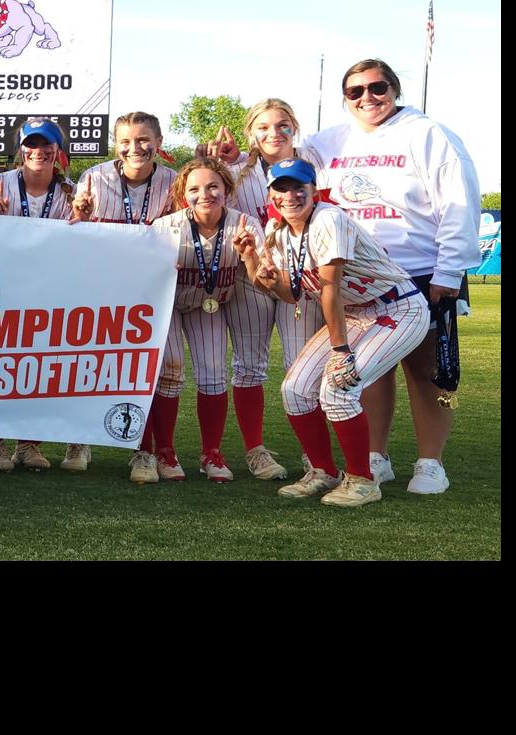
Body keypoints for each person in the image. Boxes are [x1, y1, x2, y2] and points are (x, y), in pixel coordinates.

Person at [301, 58, 481, 494]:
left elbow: (459, 204)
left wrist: (449, 270)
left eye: (377, 87)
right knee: (369, 369)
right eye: (355, 91)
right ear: (345, 98)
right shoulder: (327, 141)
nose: (367, 98)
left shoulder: (429, 134)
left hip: (420, 269)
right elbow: (283, 164)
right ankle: (374, 457)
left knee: (426, 370)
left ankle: (430, 463)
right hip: (361, 275)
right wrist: (239, 158)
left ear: (395, 89)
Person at [232, 159, 428, 508]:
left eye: (298, 188)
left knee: (337, 387)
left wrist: (340, 351)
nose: (290, 195)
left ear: (314, 191)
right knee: (294, 389)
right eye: (281, 188)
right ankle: (323, 471)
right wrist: (250, 261)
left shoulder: (328, 218)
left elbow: (330, 288)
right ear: (270, 194)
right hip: (355, 312)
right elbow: (289, 294)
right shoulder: (278, 232)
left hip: (397, 307)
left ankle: (362, 480)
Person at [198, 99, 325, 482]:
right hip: (249, 276)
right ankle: (256, 451)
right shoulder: (236, 171)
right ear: (251, 133)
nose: (274, 133)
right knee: (249, 365)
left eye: (282, 125)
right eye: (263, 127)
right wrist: (209, 160)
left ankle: (314, 455)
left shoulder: (316, 164)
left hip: (299, 278)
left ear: (294, 127)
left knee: (301, 366)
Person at [70, 110, 179, 484]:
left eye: (144, 139)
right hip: (101, 290)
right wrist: (81, 217)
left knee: (149, 370)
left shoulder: (173, 182)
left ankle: (145, 451)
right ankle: (80, 440)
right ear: (115, 145)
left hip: (152, 293)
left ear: (159, 142)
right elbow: (76, 235)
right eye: (126, 141)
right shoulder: (94, 177)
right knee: (90, 366)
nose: (135, 148)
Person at [144, 158, 258, 484]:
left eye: (213, 186)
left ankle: (211, 453)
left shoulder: (245, 224)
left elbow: (260, 278)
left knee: (213, 375)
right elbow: (142, 275)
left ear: (227, 189)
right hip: (168, 305)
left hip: (210, 305)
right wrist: (158, 271)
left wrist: (250, 255)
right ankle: (165, 451)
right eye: (194, 188)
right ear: (184, 194)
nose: (204, 194)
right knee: (171, 371)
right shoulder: (165, 227)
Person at [0, 117, 83, 472]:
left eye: (46, 144)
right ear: (20, 149)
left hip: (49, 290)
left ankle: (28, 443)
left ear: (58, 150)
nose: (38, 151)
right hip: (1, 289)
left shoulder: (72, 192)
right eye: (31, 144)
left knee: (38, 366)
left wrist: (85, 220)